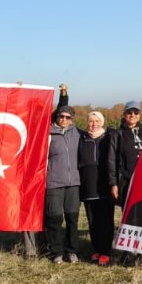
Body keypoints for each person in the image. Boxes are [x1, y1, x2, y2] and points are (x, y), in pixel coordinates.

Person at [46, 101, 82, 263]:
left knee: (72, 219)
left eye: (68, 117)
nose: (64, 119)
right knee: (55, 219)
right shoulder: (48, 133)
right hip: (54, 183)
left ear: (72, 119)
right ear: (57, 116)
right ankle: (56, 252)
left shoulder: (78, 133)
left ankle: (71, 250)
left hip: (73, 183)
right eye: (61, 116)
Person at [79, 111, 113, 265]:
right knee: (92, 221)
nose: (93, 124)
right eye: (91, 121)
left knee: (105, 221)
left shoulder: (109, 137)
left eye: (97, 121)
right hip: (88, 186)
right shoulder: (82, 138)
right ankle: (96, 249)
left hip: (105, 187)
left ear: (102, 122)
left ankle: (106, 251)